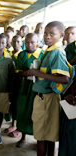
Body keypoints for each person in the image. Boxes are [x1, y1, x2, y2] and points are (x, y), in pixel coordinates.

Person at [26, 21, 70, 156]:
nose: (47, 37)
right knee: (48, 136)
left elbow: (65, 79)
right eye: (45, 33)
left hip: (47, 99)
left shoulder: (56, 52)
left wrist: (38, 73)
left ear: (61, 35)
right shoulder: (49, 50)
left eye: (52, 34)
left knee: (41, 137)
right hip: (44, 98)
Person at [12, 33, 44, 147]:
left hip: (38, 87)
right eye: (27, 42)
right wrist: (27, 73)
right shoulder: (22, 55)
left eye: (32, 42)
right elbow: (18, 72)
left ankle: (37, 139)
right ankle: (23, 137)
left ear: (38, 42)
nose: (29, 45)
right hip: (25, 87)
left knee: (36, 112)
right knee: (23, 110)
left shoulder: (42, 54)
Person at [4, 35, 22, 137]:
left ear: (21, 43)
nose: (15, 43)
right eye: (14, 41)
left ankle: (18, 126)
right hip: (10, 82)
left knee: (19, 104)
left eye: (18, 41)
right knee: (13, 104)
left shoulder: (22, 54)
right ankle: (13, 124)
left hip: (19, 83)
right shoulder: (9, 54)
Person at [58, 67, 76, 156]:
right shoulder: (72, 70)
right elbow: (63, 88)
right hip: (71, 113)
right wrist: (66, 95)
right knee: (68, 142)